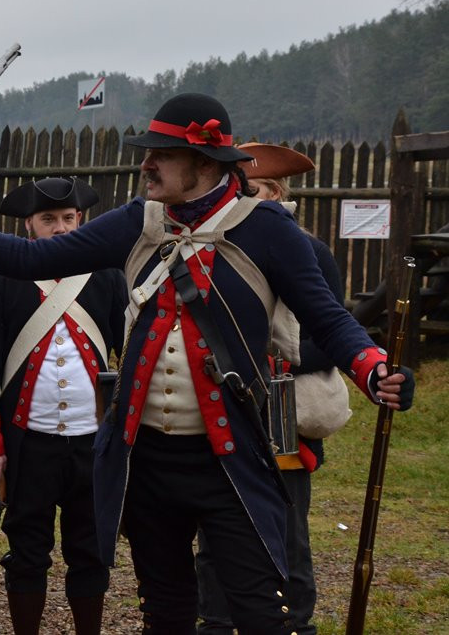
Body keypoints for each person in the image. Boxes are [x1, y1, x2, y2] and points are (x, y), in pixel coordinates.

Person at [0, 92, 416, 634]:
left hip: (230, 459)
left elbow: (326, 317)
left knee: (259, 613)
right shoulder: (140, 222)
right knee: (165, 611)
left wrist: (373, 369)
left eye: (161, 155)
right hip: (149, 461)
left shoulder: (269, 229)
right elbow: (30, 258)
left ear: (203, 165)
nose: (146, 164)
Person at [0, 178, 126, 635]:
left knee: (90, 550)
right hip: (28, 445)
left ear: (82, 220)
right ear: (29, 225)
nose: (60, 229)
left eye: (69, 219)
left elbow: (132, 352)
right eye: (49, 220)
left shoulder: (108, 276)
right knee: (27, 553)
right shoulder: (3, 280)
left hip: (91, 442)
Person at [195, 143, 342, 634]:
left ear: (275, 193)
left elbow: (331, 332)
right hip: (226, 410)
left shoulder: (311, 252)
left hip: (285, 413)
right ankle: (215, 623)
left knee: (287, 534)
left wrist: (269, 361)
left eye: (250, 191)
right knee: (215, 533)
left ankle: (294, 625)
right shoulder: (214, 246)